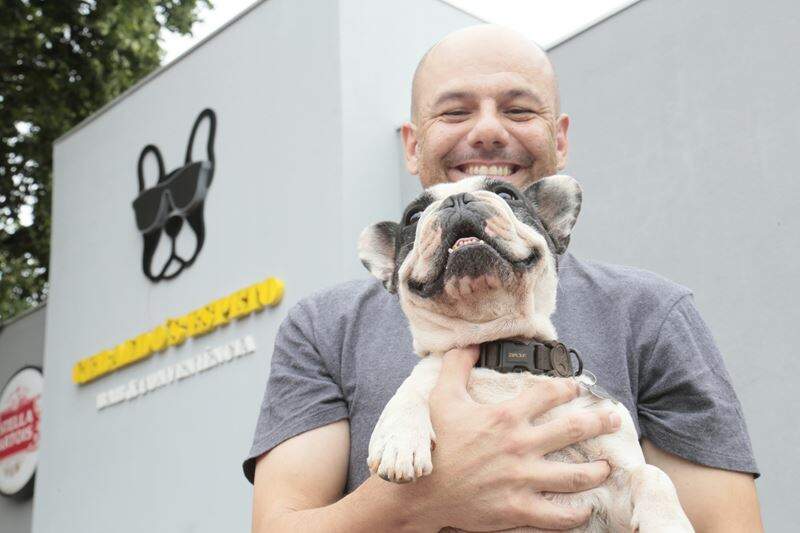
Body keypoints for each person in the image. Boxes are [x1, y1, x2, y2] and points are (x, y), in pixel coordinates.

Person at [244, 25, 762, 532]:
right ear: (412, 144)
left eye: (518, 109)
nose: (488, 131)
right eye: (454, 111)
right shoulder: (323, 327)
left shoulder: (652, 311)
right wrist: (417, 499)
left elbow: (725, 524)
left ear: (559, 141)